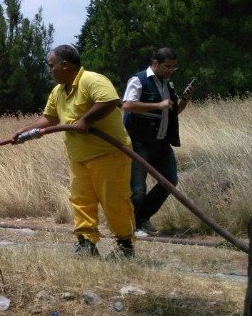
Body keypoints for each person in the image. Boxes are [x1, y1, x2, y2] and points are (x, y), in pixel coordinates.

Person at [12, 45, 135, 259]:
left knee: (114, 201)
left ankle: (125, 246)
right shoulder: (58, 91)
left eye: (52, 66)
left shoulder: (92, 80)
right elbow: (49, 119)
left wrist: (85, 120)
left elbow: (110, 101)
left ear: (64, 65)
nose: (50, 70)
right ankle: (86, 243)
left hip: (109, 153)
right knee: (81, 200)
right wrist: (23, 131)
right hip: (79, 157)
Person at [122, 47, 193, 236]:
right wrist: (157, 105)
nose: (170, 70)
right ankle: (131, 225)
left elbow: (173, 112)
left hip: (162, 143)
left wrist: (184, 98)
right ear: (155, 63)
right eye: (167, 66)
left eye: (173, 67)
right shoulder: (138, 80)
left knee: (170, 181)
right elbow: (127, 105)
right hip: (139, 142)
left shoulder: (167, 84)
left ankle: (142, 218)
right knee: (137, 188)